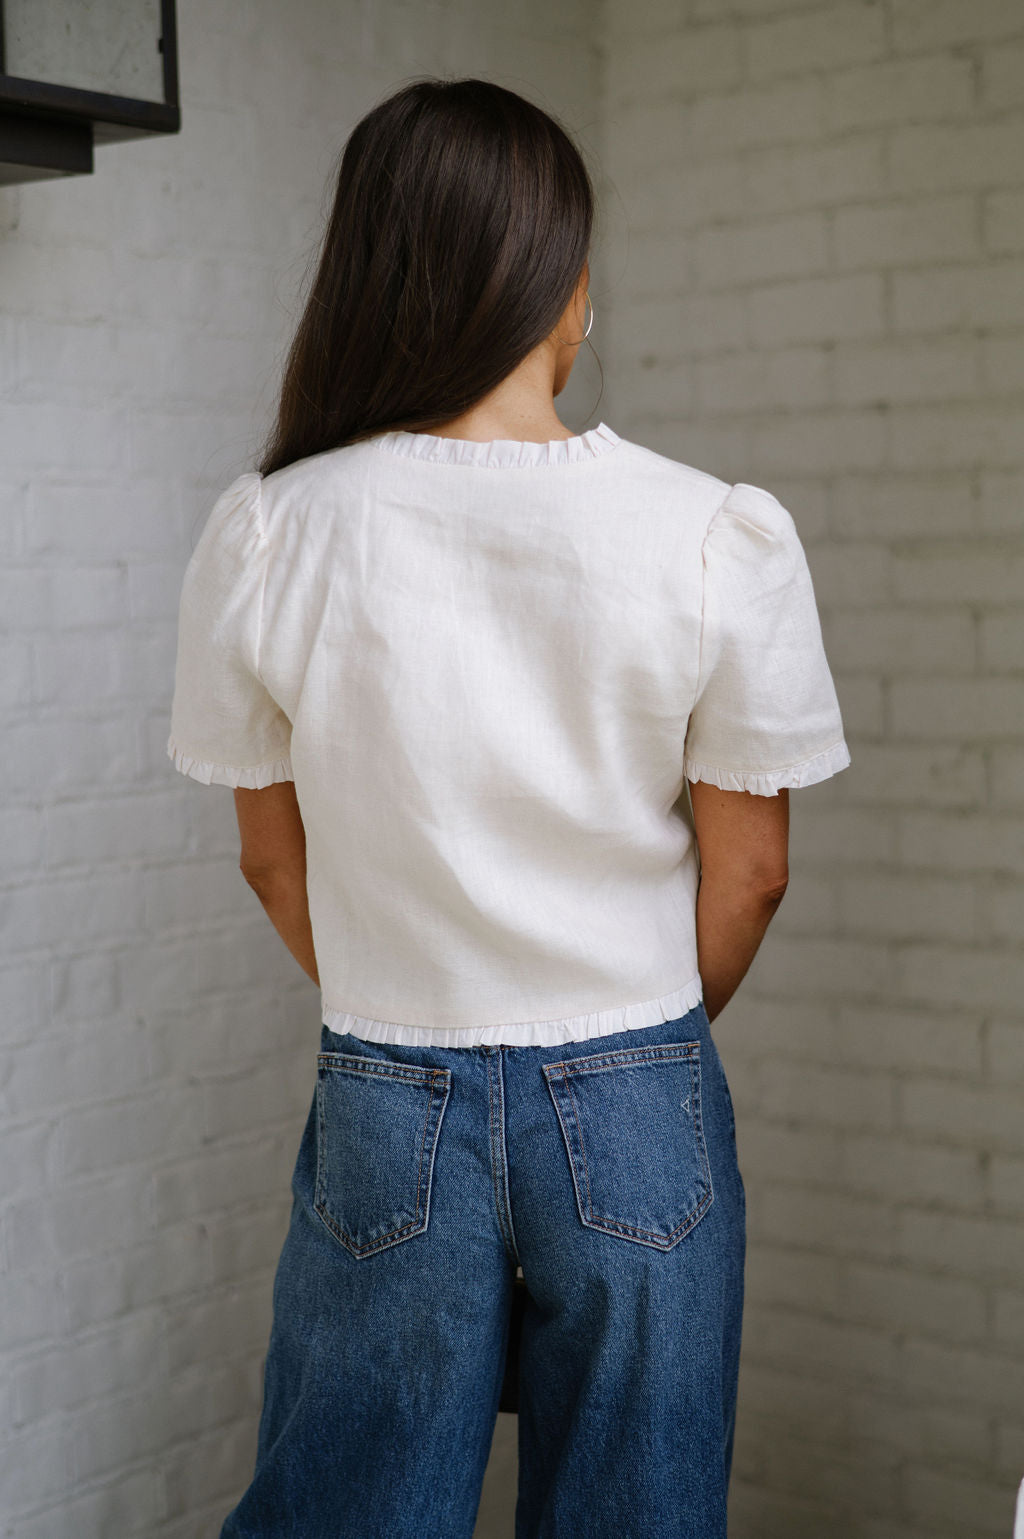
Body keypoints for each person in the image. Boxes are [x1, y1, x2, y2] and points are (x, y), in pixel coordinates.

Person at [166, 75, 850, 1539]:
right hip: (638, 1087)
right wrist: (622, 1045)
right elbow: (753, 879)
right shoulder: (712, 532)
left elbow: (271, 859)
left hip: (385, 1082)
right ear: (565, 289)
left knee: (345, 1510)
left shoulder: (273, 531)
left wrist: (417, 1006)